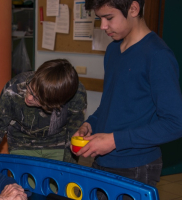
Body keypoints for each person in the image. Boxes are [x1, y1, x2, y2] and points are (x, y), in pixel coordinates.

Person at [71, 0, 182, 193]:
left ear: (133, 8)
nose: (103, 26)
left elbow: (175, 123)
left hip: (136, 167)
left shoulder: (158, 56)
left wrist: (114, 141)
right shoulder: (113, 50)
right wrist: (89, 125)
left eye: (109, 18)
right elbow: (111, 105)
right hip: (103, 160)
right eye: (100, 19)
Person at [0, 59, 87, 164]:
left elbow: (73, 134)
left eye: (38, 98)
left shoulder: (76, 95)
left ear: (55, 104)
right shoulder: (14, 89)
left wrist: (68, 169)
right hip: (22, 145)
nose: (29, 98)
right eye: (30, 89)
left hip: (58, 146)